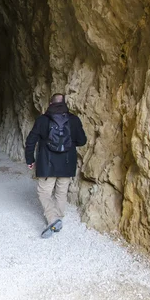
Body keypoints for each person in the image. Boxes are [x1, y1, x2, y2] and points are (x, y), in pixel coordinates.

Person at [25, 93, 87, 238]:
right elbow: (82, 141)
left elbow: (30, 141)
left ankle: (52, 219)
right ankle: (59, 217)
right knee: (61, 192)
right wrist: (69, 143)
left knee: (44, 193)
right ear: (65, 104)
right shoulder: (74, 120)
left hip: (47, 164)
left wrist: (30, 159)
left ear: (50, 103)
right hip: (67, 163)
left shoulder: (42, 120)